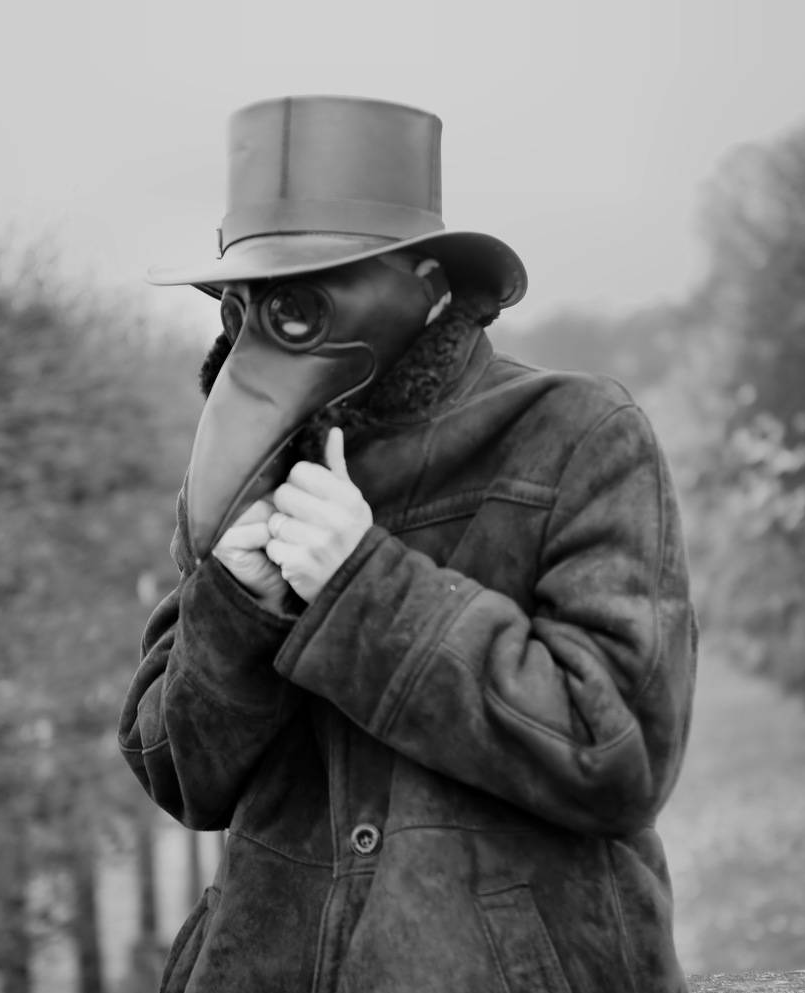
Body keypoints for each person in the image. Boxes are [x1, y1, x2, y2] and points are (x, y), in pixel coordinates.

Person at [118, 94, 698, 993]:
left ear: (429, 284)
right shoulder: (251, 464)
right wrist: (236, 608)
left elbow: (617, 751)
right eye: (244, 304)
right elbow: (178, 774)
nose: (265, 331)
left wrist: (364, 589)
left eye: (303, 295)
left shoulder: (576, 433)